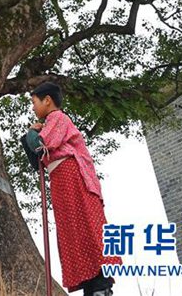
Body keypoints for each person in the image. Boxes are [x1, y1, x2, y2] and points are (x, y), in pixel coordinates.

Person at [26, 82, 121, 296]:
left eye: (34, 102)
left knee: (86, 228)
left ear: (47, 100)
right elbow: (36, 158)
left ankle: (100, 286)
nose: (33, 108)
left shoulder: (58, 118)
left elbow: (40, 145)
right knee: (72, 233)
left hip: (73, 177)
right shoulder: (50, 122)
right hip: (61, 182)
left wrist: (33, 132)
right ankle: (91, 286)